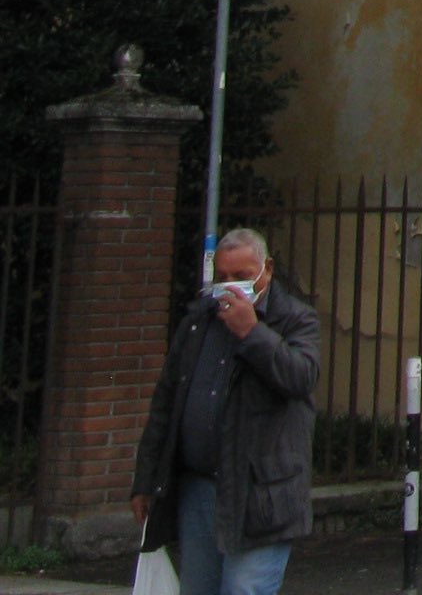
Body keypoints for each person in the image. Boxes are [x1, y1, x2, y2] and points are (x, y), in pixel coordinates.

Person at [130, 226, 321, 595]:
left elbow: (300, 377)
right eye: (223, 277)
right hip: (199, 490)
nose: (230, 286)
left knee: (243, 589)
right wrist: (146, 479)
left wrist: (252, 332)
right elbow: (167, 401)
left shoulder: (295, 319)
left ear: (267, 269)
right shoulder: (199, 320)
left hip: (261, 495)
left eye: (242, 276)